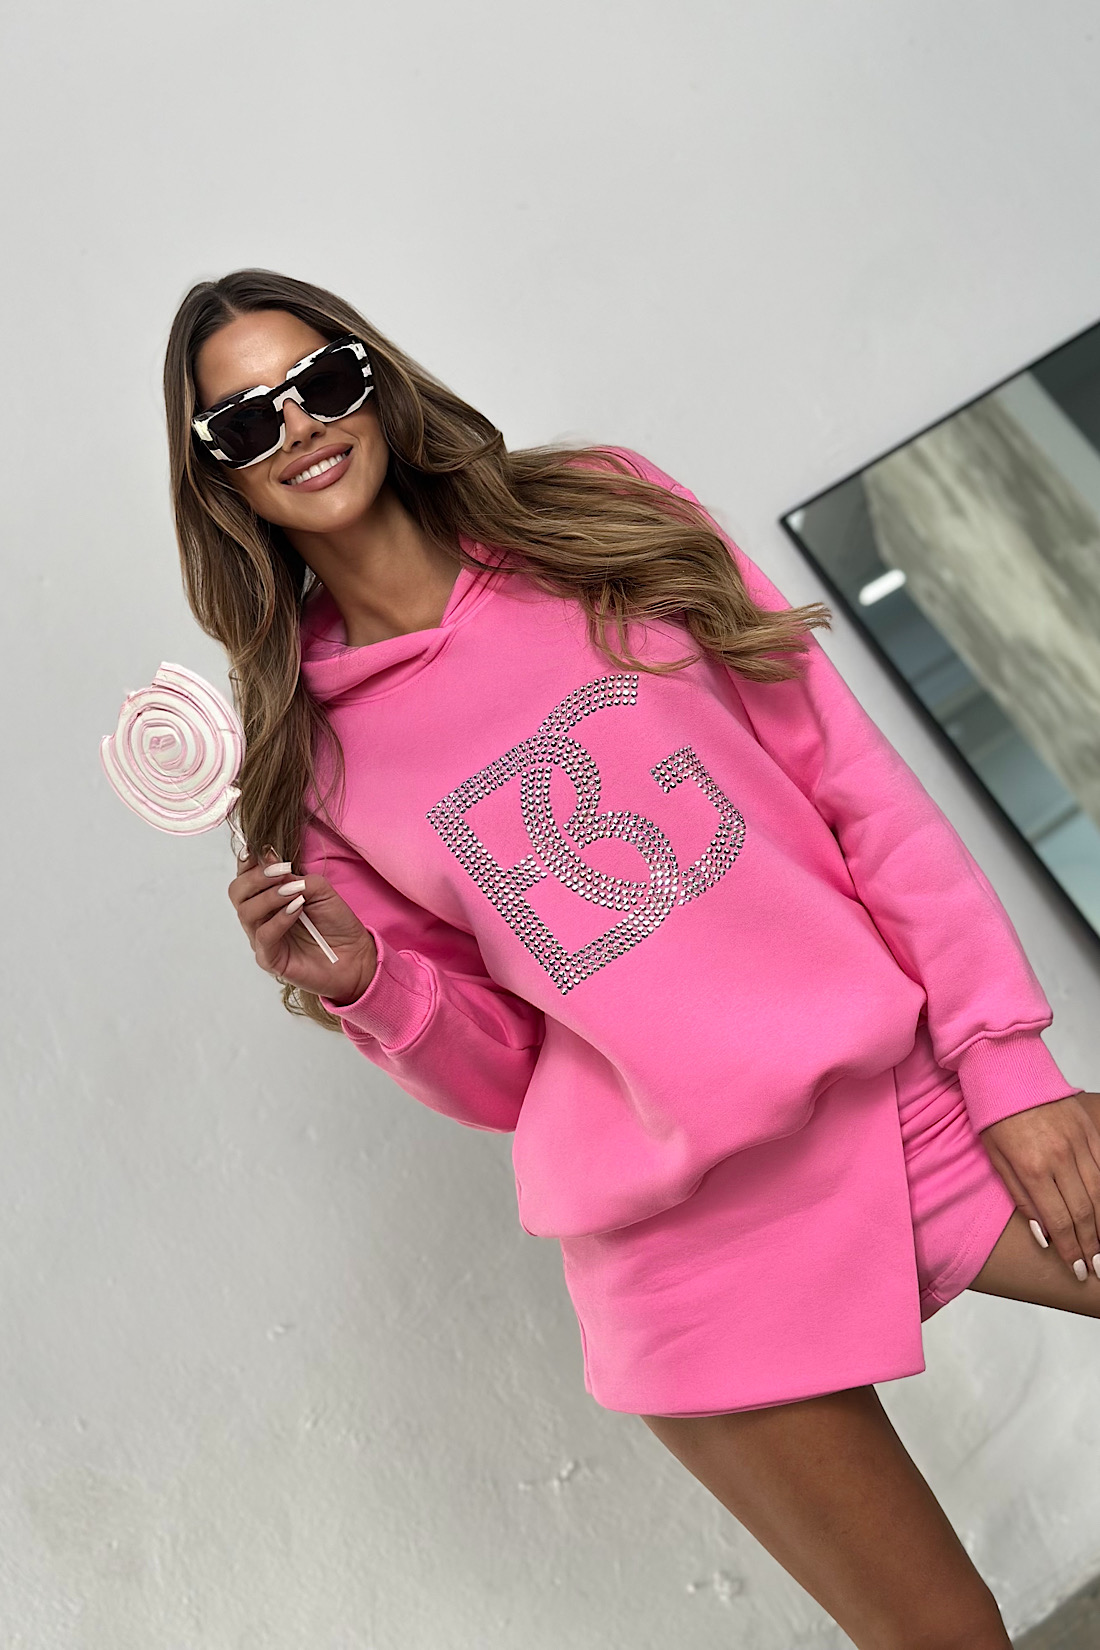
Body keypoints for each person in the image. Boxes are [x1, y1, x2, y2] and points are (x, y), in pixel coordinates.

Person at [165, 265, 1100, 1650]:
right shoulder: (309, 761)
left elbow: (853, 785)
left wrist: (1008, 1065)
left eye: (321, 381)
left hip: (903, 1098)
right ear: (219, 479)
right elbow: (507, 1074)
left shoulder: (598, 514)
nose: (297, 425)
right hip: (685, 1239)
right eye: (246, 421)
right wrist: (369, 982)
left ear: (376, 379)